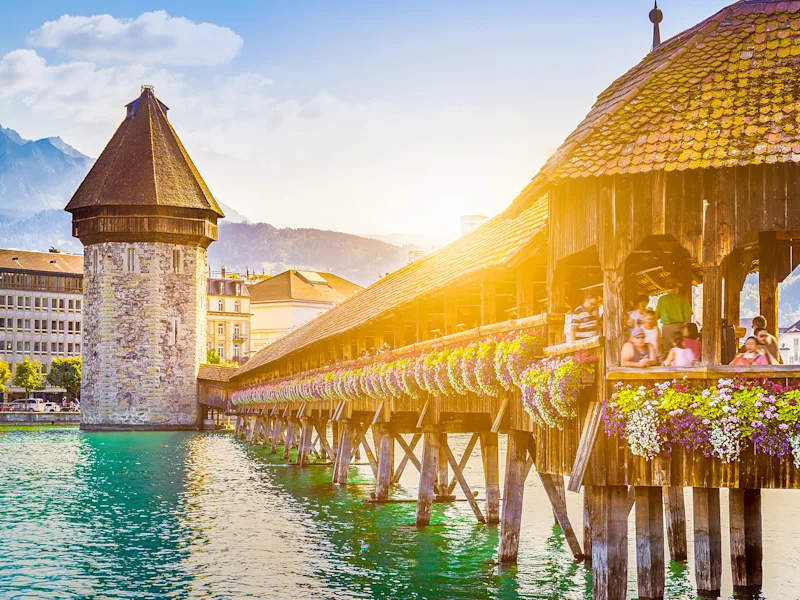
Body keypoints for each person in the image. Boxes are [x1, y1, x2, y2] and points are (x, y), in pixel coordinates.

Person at [655, 284, 692, 355]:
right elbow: (688, 315)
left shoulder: (662, 299)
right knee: (680, 349)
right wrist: (686, 326)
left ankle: (668, 363)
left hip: (667, 328)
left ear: (666, 289)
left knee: (668, 351)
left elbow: (656, 316)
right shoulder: (682, 298)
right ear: (677, 288)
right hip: (679, 327)